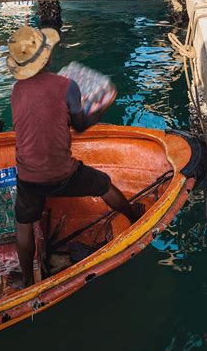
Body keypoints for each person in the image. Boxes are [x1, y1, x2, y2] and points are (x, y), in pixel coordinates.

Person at [7, 26, 143, 287]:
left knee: (22, 223)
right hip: (62, 173)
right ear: (46, 57)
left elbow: (34, 119)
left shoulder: (16, 91)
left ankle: (26, 279)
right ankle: (134, 216)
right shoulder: (67, 85)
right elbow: (80, 124)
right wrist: (103, 105)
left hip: (28, 175)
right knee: (103, 183)